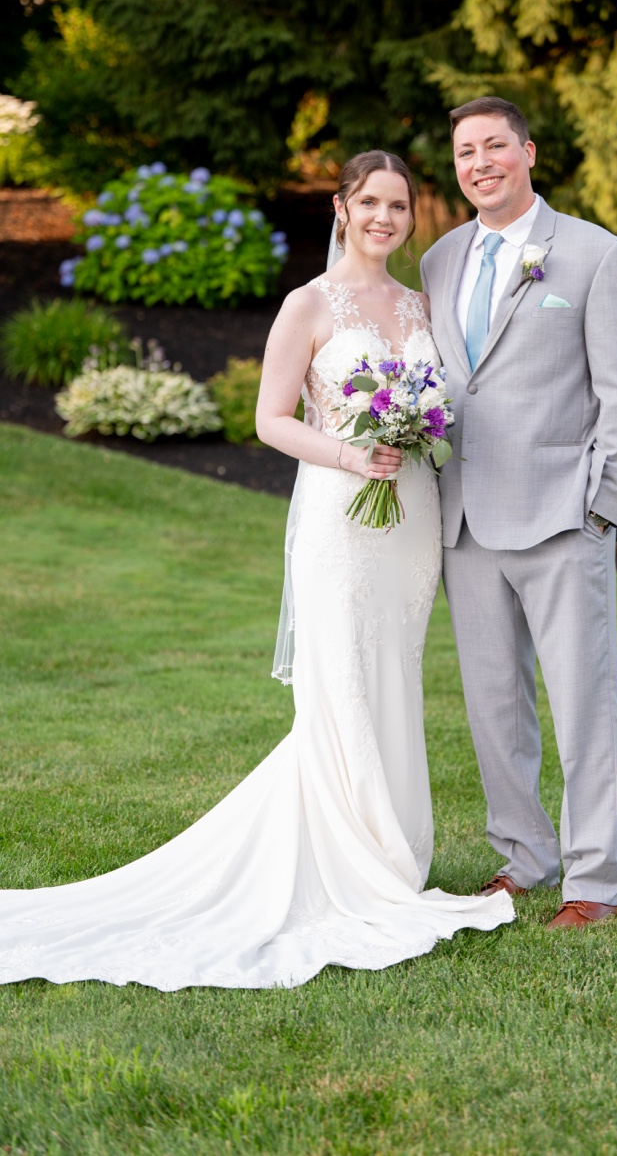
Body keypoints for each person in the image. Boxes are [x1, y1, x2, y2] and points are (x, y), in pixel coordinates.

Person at [0, 150, 514, 990]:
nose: (385, 217)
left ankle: (394, 849)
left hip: (410, 519)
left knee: (394, 673)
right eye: (370, 202)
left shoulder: (423, 304)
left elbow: (447, 402)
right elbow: (270, 418)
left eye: (399, 204)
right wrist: (351, 453)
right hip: (339, 518)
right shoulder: (307, 304)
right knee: (342, 678)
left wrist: (416, 433)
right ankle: (355, 860)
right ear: (342, 208)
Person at [418, 97, 617, 929]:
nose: (478, 161)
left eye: (493, 146)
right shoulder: (441, 260)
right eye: (463, 152)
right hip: (466, 522)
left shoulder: (595, 255)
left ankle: (596, 883)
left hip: (563, 516)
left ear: (528, 152)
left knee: (584, 701)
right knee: (493, 701)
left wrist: (601, 508)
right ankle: (523, 857)